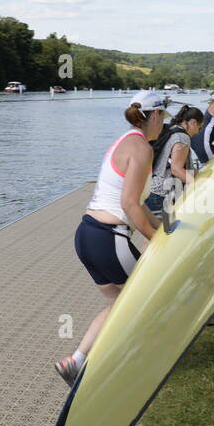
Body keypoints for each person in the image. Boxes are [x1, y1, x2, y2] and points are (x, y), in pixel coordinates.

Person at [56, 91, 166, 386]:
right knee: (151, 298)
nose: (164, 122)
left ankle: (75, 361)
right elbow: (130, 205)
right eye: (163, 115)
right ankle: (140, 368)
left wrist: (161, 227)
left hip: (87, 234)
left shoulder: (123, 140)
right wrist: (156, 240)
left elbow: (135, 201)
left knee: (118, 304)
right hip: (109, 237)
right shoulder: (142, 148)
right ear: (154, 115)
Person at [146, 104, 202, 212]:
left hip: (152, 189)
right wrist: (199, 188)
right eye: (199, 128)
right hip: (162, 195)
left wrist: (199, 172)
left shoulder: (172, 130)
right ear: (193, 122)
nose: (198, 132)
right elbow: (176, 170)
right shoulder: (182, 137)